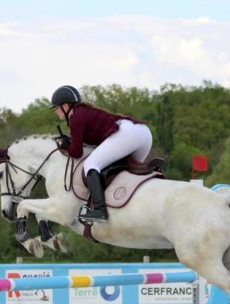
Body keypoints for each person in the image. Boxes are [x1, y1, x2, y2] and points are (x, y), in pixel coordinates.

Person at [50, 85, 153, 223]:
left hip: (128, 133)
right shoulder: (83, 112)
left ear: (66, 106)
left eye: (56, 108)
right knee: (124, 172)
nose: (55, 111)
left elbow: (76, 152)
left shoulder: (76, 116)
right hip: (143, 133)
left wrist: (65, 145)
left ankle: (99, 210)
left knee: (91, 164)